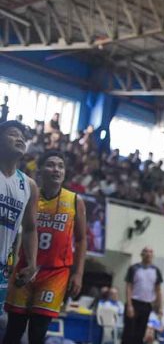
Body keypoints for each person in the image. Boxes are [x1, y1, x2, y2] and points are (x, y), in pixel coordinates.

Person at [3, 151, 87, 344]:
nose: (56, 169)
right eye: (50, 165)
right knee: (14, 329)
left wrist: (79, 273)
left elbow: (82, 240)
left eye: (60, 166)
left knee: (38, 331)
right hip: (25, 267)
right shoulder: (29, 195)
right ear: (40, 170)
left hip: (55, 273)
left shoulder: (75, 200)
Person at [0, 121, 39, 314]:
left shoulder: (29, 185)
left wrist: (32, 263)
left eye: (23, 137)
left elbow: (30, 228)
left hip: (1, 269)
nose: (20, 139)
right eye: (13, 134)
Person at [123, 246, 163, 344]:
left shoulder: (156, 270)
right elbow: (129, 287)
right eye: (146, 252)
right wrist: (129, 305)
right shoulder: (134, 268)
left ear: (153, 255)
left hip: (147, 305)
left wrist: (160, 307)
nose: (148, 254)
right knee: (129, 332)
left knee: (140, 333)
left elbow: (158, 290)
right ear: (142, 254)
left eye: (151, 252)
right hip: (134, 303)